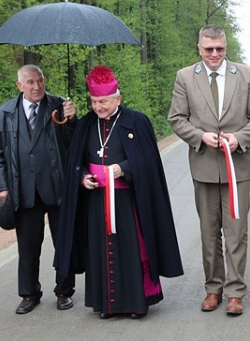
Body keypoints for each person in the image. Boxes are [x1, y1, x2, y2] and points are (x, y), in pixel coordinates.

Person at [55, 66, 183, 319]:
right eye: (94, 102)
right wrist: (84, 178)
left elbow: (148, 160)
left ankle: (137, 303)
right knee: (100, 253)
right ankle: (107, 305)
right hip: (96, 201)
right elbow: (75, 160)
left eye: (103, 101)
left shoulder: (137, 121)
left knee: (132, 251)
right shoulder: (86, 124)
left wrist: (123, 168)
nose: (98, 107)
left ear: (117, 98)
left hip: (128, 202)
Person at [168, 25, 250, 316]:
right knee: (209, 232)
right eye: (209, 49)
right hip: (203, 168)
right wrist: (200, 136)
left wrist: (239, 138)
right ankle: (213, 288)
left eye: (220, 49)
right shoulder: (185, 77)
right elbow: (177, 118)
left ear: (226, 48)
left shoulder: (247, 75)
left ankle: (235, 292)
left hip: (237, 168)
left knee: (236, 232)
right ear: (199, 48)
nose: (214, 54)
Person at [0, 65, 77, 315]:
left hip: (57, 186)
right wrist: (2, 186)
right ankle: (29, 293)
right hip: (24, 189)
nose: (37, 86)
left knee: (64, 242)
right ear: (19, 86)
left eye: (40, 80)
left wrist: (72, 120)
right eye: (30, 82)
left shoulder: (60, 105)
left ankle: (64, 291)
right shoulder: (3, 113)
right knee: (28, 246)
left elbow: (75, 142)